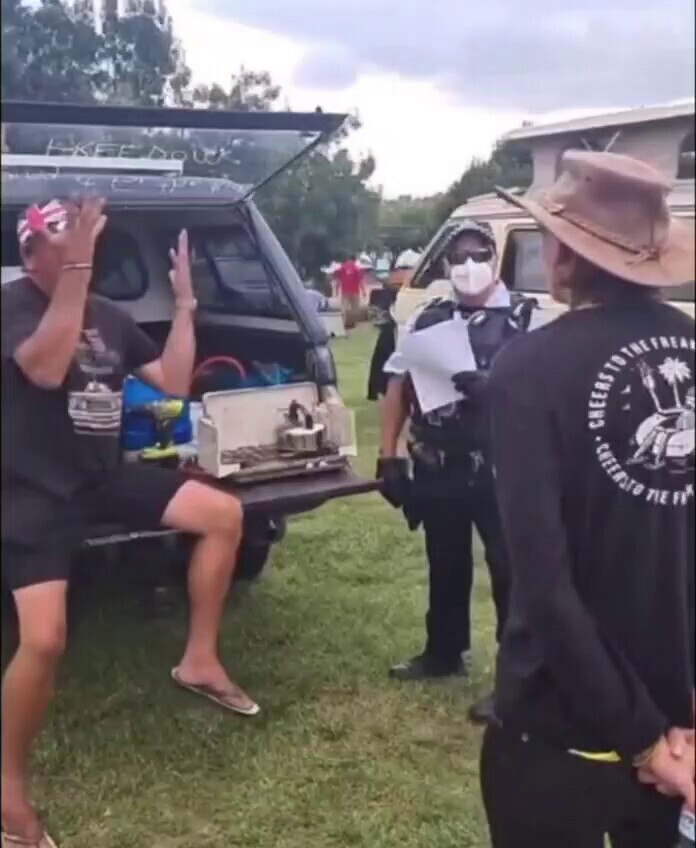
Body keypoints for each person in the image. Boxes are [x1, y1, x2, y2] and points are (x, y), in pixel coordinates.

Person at [1, 197, 259, 848]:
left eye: (88, 241)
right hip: (31, 488)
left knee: (223, 514)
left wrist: (186, 306)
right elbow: (44, 367)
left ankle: (199, 660)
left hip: (102, 476)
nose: (86, 250)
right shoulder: (12, 305)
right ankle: (7, 795)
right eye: (68, 242)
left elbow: (172, 381)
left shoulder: (110, 317)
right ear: (32, 252)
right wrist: (80, 269)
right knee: (46, 639)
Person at [480, 151, 695, 847]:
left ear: (567, 258)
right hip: (677, 723)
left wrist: (641, 741)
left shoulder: (527, 370)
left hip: (559, 733)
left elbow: (543, 584)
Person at [376, 221, 535, 723]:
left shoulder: (528, 320)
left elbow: (549, 396)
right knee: (444, 561)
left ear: (494, 257)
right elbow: (397, 385)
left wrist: (498, 386)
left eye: (477, 254)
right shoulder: (428, 319)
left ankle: (516, 680)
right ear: (445, 267)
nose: (468, 266)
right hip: (437, 461)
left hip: (502, 468)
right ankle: (443, 652)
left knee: (512, 572)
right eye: (457, 257)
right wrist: (387, 455)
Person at [333, 253, 367, 330]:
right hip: (355, 291)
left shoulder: (342, 267)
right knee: (355, 309)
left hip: (345, 291)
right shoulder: (356, 268)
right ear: (354, 260)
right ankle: (353, 324)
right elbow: (360, 281)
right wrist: (364, 291)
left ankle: (343, 323)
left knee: (344, 308)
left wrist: (336, 290)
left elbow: (338, 280)